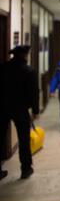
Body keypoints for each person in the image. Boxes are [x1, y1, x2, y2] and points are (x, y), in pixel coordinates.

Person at [0, 45, 39, 180]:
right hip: (20, 109)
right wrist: (35, 111)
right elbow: (34, 93)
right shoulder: (28, 71)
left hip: (3, 107)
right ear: (24, 56)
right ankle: (26, 169)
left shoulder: (3, 68)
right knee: (24, 139)